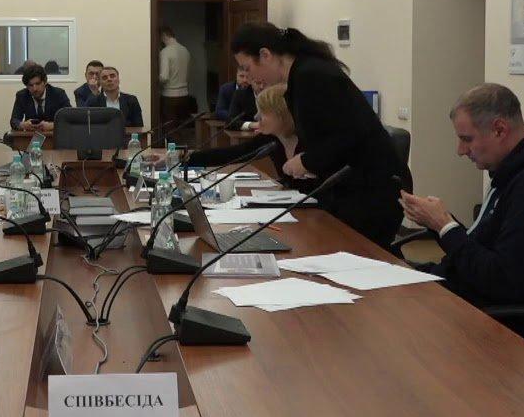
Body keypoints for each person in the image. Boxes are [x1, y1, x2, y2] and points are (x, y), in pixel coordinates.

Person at [399, 84, 524, 308]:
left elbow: (501, 281)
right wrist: (438, 223)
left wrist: (445, 226)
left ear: (499, 130)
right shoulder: (514, 172)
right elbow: (482, 247)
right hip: (463, 291)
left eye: (467, 139)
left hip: (490, 316)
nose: (461, 150)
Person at [230, 22, 411, 249]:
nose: (248, 77)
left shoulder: (311, 75)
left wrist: (306, 161)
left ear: (265, 55)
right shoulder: (301, 76)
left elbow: (349, 135)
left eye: (247, 68)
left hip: (371, 191)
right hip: (351, 188)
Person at [185, 85, 304, 187]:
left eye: (263, 112)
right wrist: (187, 158)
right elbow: (233, 154)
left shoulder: (307, 141)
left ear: (280, 115)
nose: (256, 117)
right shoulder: (270, 138)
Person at [9, 63, 70, 132]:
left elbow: (69, 119)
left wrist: (53, 125)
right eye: (30, 85)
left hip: (53, 135)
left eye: (38, 84)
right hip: (30, 135)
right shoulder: (22, 96)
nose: (34, 89)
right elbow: (14, 121)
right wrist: (23, 125)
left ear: (45, 82)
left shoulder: (58, 94)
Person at [158, 26, 192, 138]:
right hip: (184, 94)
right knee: (181, 127)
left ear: (164, 35)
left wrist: (155, 82)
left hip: (170, 95)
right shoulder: (185, 50)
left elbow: (164, 77)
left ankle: (171, 148)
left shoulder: (165, 52)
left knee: (170, 129)